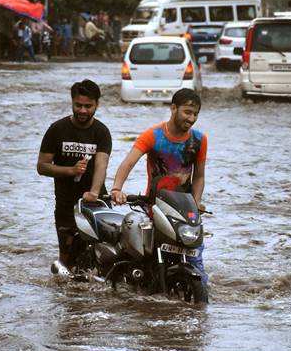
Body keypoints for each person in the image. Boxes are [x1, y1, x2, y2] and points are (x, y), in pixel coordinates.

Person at [110, 88, 208, 283]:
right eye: (187, 112)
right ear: (173, 108)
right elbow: (128, 163)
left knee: (198, 267)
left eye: (195, 114)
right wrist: (116, 189)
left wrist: (196, 203)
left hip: (185, 211)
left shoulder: (199, 140)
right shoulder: (153, 135)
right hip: (154, 208)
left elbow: (198, 177)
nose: (191, 118)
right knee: (145, 260)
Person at [37, 80, 112, 275]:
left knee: (105, 259)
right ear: (72, 103)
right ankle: (67, 301)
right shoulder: (57, 129)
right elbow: (42, 167)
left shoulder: (101, 132)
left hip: (96, 204)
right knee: (67, 261)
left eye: (88, 106)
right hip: (66, 204)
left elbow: (101, 166)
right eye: (78, 105)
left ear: (97, 105)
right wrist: (70, 171)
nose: (83, 110)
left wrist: (94, 192)